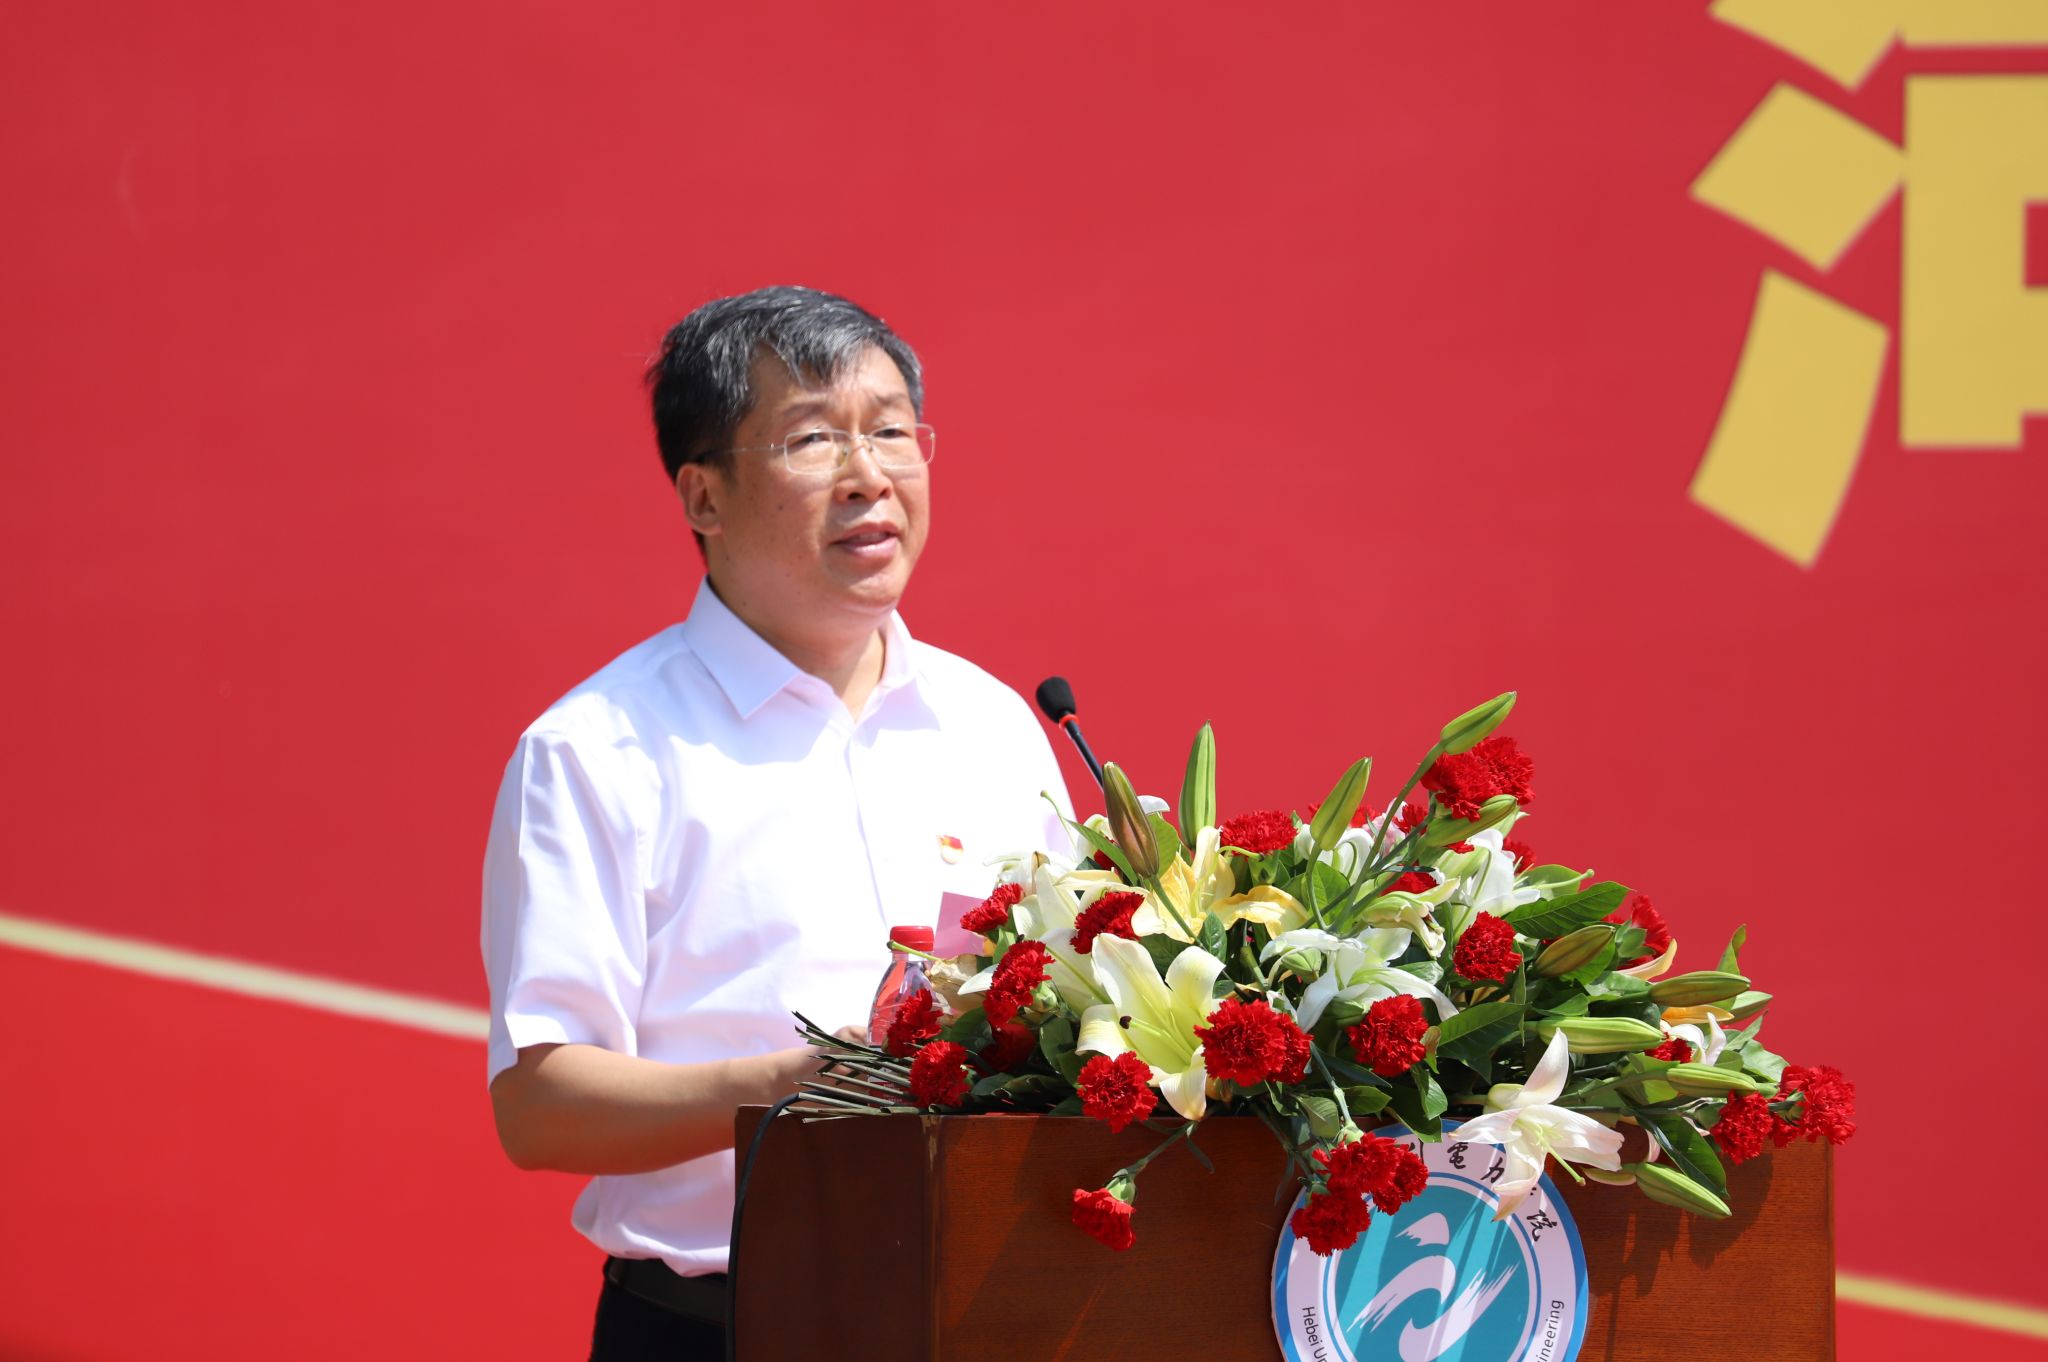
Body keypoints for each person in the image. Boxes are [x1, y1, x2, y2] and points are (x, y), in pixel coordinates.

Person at [481, 286, 1073, 1360]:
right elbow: (540, 1104)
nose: (868, 475)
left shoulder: (993, 725)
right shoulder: (600, 751)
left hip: (986, 1316)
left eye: (890, 431)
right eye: (811, 439)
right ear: (703, 495)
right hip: (724, 1327)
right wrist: (780, 1092)